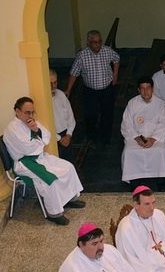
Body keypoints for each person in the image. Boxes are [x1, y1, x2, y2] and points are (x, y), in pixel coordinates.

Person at [3, 97, 85, 225]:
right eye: (27, 112)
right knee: (50, 179)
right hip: (25, 163)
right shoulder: (12, 129)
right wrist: (37, 138)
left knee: (68, 167)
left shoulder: (31, 122)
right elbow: (27, 148)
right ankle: (54, 213)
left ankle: (69, 198)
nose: (30, 116)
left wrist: (37, 131)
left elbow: (46, 136)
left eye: (32, 112)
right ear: (17, 111)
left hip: (40, 157)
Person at [65, 30, 119, 145]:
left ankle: (106, 138)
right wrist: (68, 90)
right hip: (90, 91)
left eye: (99, 41)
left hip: (107, 89)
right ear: (88, 43)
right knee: (90, 115)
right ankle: (91, 138)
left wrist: (115, 75)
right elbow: (74, 73)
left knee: (107, 114)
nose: (98, 45)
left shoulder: (107, 51)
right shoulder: (82, 56)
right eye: (95, 42)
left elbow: (116, 59)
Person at [120, 77, 165, 188]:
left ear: (152, 89)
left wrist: (152, 139)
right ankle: (134, 181)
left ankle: (160, 181)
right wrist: (137, 138)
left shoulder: (160, 104)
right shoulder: (132, 103)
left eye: (148, 88)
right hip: (136, 138)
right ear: (138, 90)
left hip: (156, 138)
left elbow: (164, 123)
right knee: (129, 152)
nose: (145, 91)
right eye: (142, 88)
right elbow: (127, 123)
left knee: (160, 151)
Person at [49, 69, 76, 162]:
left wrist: (68, 135)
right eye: (50, 83)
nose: (53, 86)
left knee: (70, 163)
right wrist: (59, 139)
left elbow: (70, 117)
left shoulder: (61, 94)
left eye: (55, 82)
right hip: (53, 138)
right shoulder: (43, 100)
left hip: (66, 135)